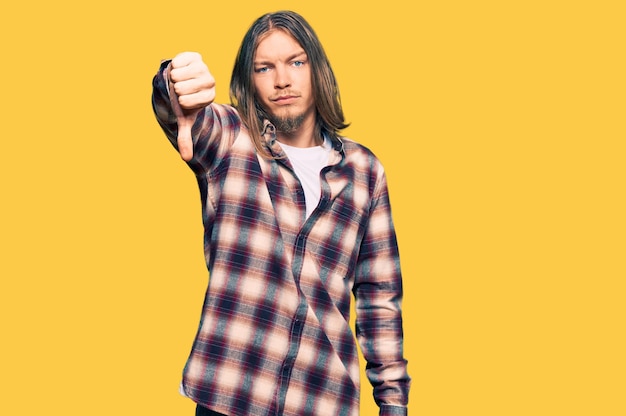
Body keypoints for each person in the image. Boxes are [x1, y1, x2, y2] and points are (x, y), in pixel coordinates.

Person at [151, 10, 410, 416]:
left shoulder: (364, 172)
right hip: (229, 396)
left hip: (322, 398)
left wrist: (393, 405)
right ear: (249, 81)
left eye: (295, 62)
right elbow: (183, 114)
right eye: (264, 67)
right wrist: (175, 80)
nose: (282, 80)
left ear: (316, 69)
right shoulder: (230, 139)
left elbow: (380, 297)